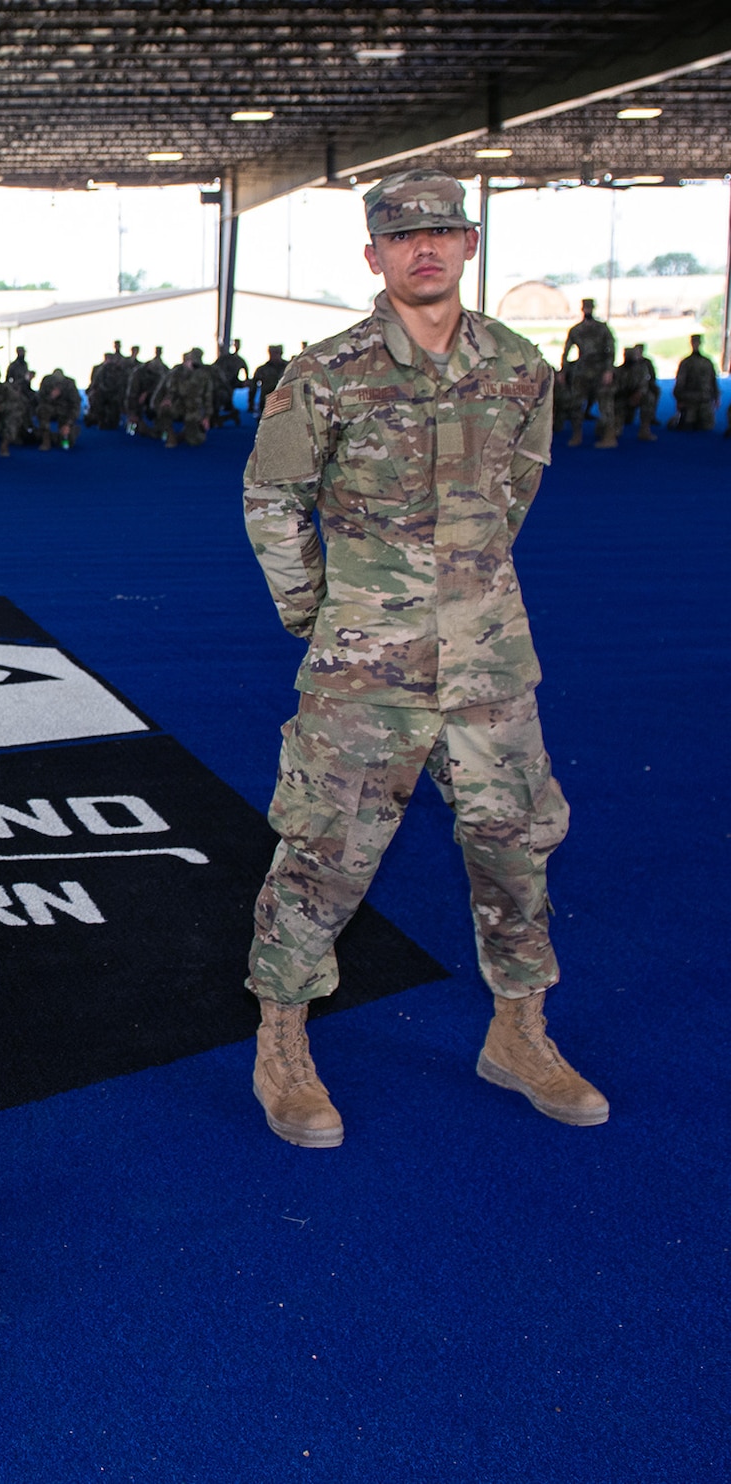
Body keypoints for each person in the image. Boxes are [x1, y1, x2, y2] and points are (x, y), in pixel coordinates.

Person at [241, 168, 606, 1150]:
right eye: (403, 237)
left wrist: (467, 585)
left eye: (442, 230)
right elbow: (272, 498)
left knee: (513, 844)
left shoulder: (519, 365)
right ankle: (279, 1038)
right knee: (322, 854)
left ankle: (518, 1028)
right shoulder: (325, 373)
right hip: (365, 669)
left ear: (467, 243)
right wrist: (322, 612)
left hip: (488, 662)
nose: (424, 248)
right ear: (373, 255)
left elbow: (517, 484)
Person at [559, 297, 617, 448]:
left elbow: (611, 350)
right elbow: (566, 351)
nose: (588, 310)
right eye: (586, 308)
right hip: (582, 370)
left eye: (590, 308)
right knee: (576, 403)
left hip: (600, 369)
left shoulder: (602, 329)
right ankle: (576, 434)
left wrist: (609, 370)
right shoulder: (576, 330)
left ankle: (609, 437)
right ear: (582, 309)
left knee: (605, 403)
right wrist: (563, 371)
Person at [156, 347, 214, 448]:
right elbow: (171, 389)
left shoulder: (205, 374)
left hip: (193, 410)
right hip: (179, 405)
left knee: (195, 440)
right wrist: (168, 399)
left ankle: (183, 434)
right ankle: (170, 435)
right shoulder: (177, 372)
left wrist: (207, 417)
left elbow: (208, 397)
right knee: (164, 409)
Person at [672, 333, 720, 431]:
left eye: (697, 342)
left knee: (707, 426)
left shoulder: (708, 362)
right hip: (689, 401)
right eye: (694, 342)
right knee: (686, 426)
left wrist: (716, 397)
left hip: (705, 400)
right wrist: (679, 400)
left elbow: (713, 381)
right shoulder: (685, 363)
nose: (696, 344)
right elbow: (679, 384)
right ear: (691, 344)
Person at [614, 344, 658, 442]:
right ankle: (615, 428)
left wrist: (638, 394)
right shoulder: (618, 371)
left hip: (637, 396)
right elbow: (615, 388)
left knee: (649, 398)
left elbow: (644, 384)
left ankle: (645, 430)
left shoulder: (641, 369)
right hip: (622, 398)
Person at [34, 367, 80, 450]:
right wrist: (51, 396)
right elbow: (39, 399)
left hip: (64, 411)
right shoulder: (46, 381)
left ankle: (64, 438)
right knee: (42, 409)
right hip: (49, 407)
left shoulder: (70, 384)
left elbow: (75, 405)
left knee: (68, 443)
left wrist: (68, 424)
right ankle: (46, 439)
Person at [211, 338, 249, 425]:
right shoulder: (221, 360)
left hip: (230, 385)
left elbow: (246, 376)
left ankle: (225, 416)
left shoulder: (239, 360)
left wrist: (243, 382)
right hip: (221, 385)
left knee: (223, 400)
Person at [252, 343, 290, 413]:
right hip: (267, 402)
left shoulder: (289, 367)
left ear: (281, 353)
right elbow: (253, 387)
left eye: (276, 353)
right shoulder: (262, 369)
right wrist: (251, 403)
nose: (274, 356)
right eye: (272, 353)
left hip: (285, 401)